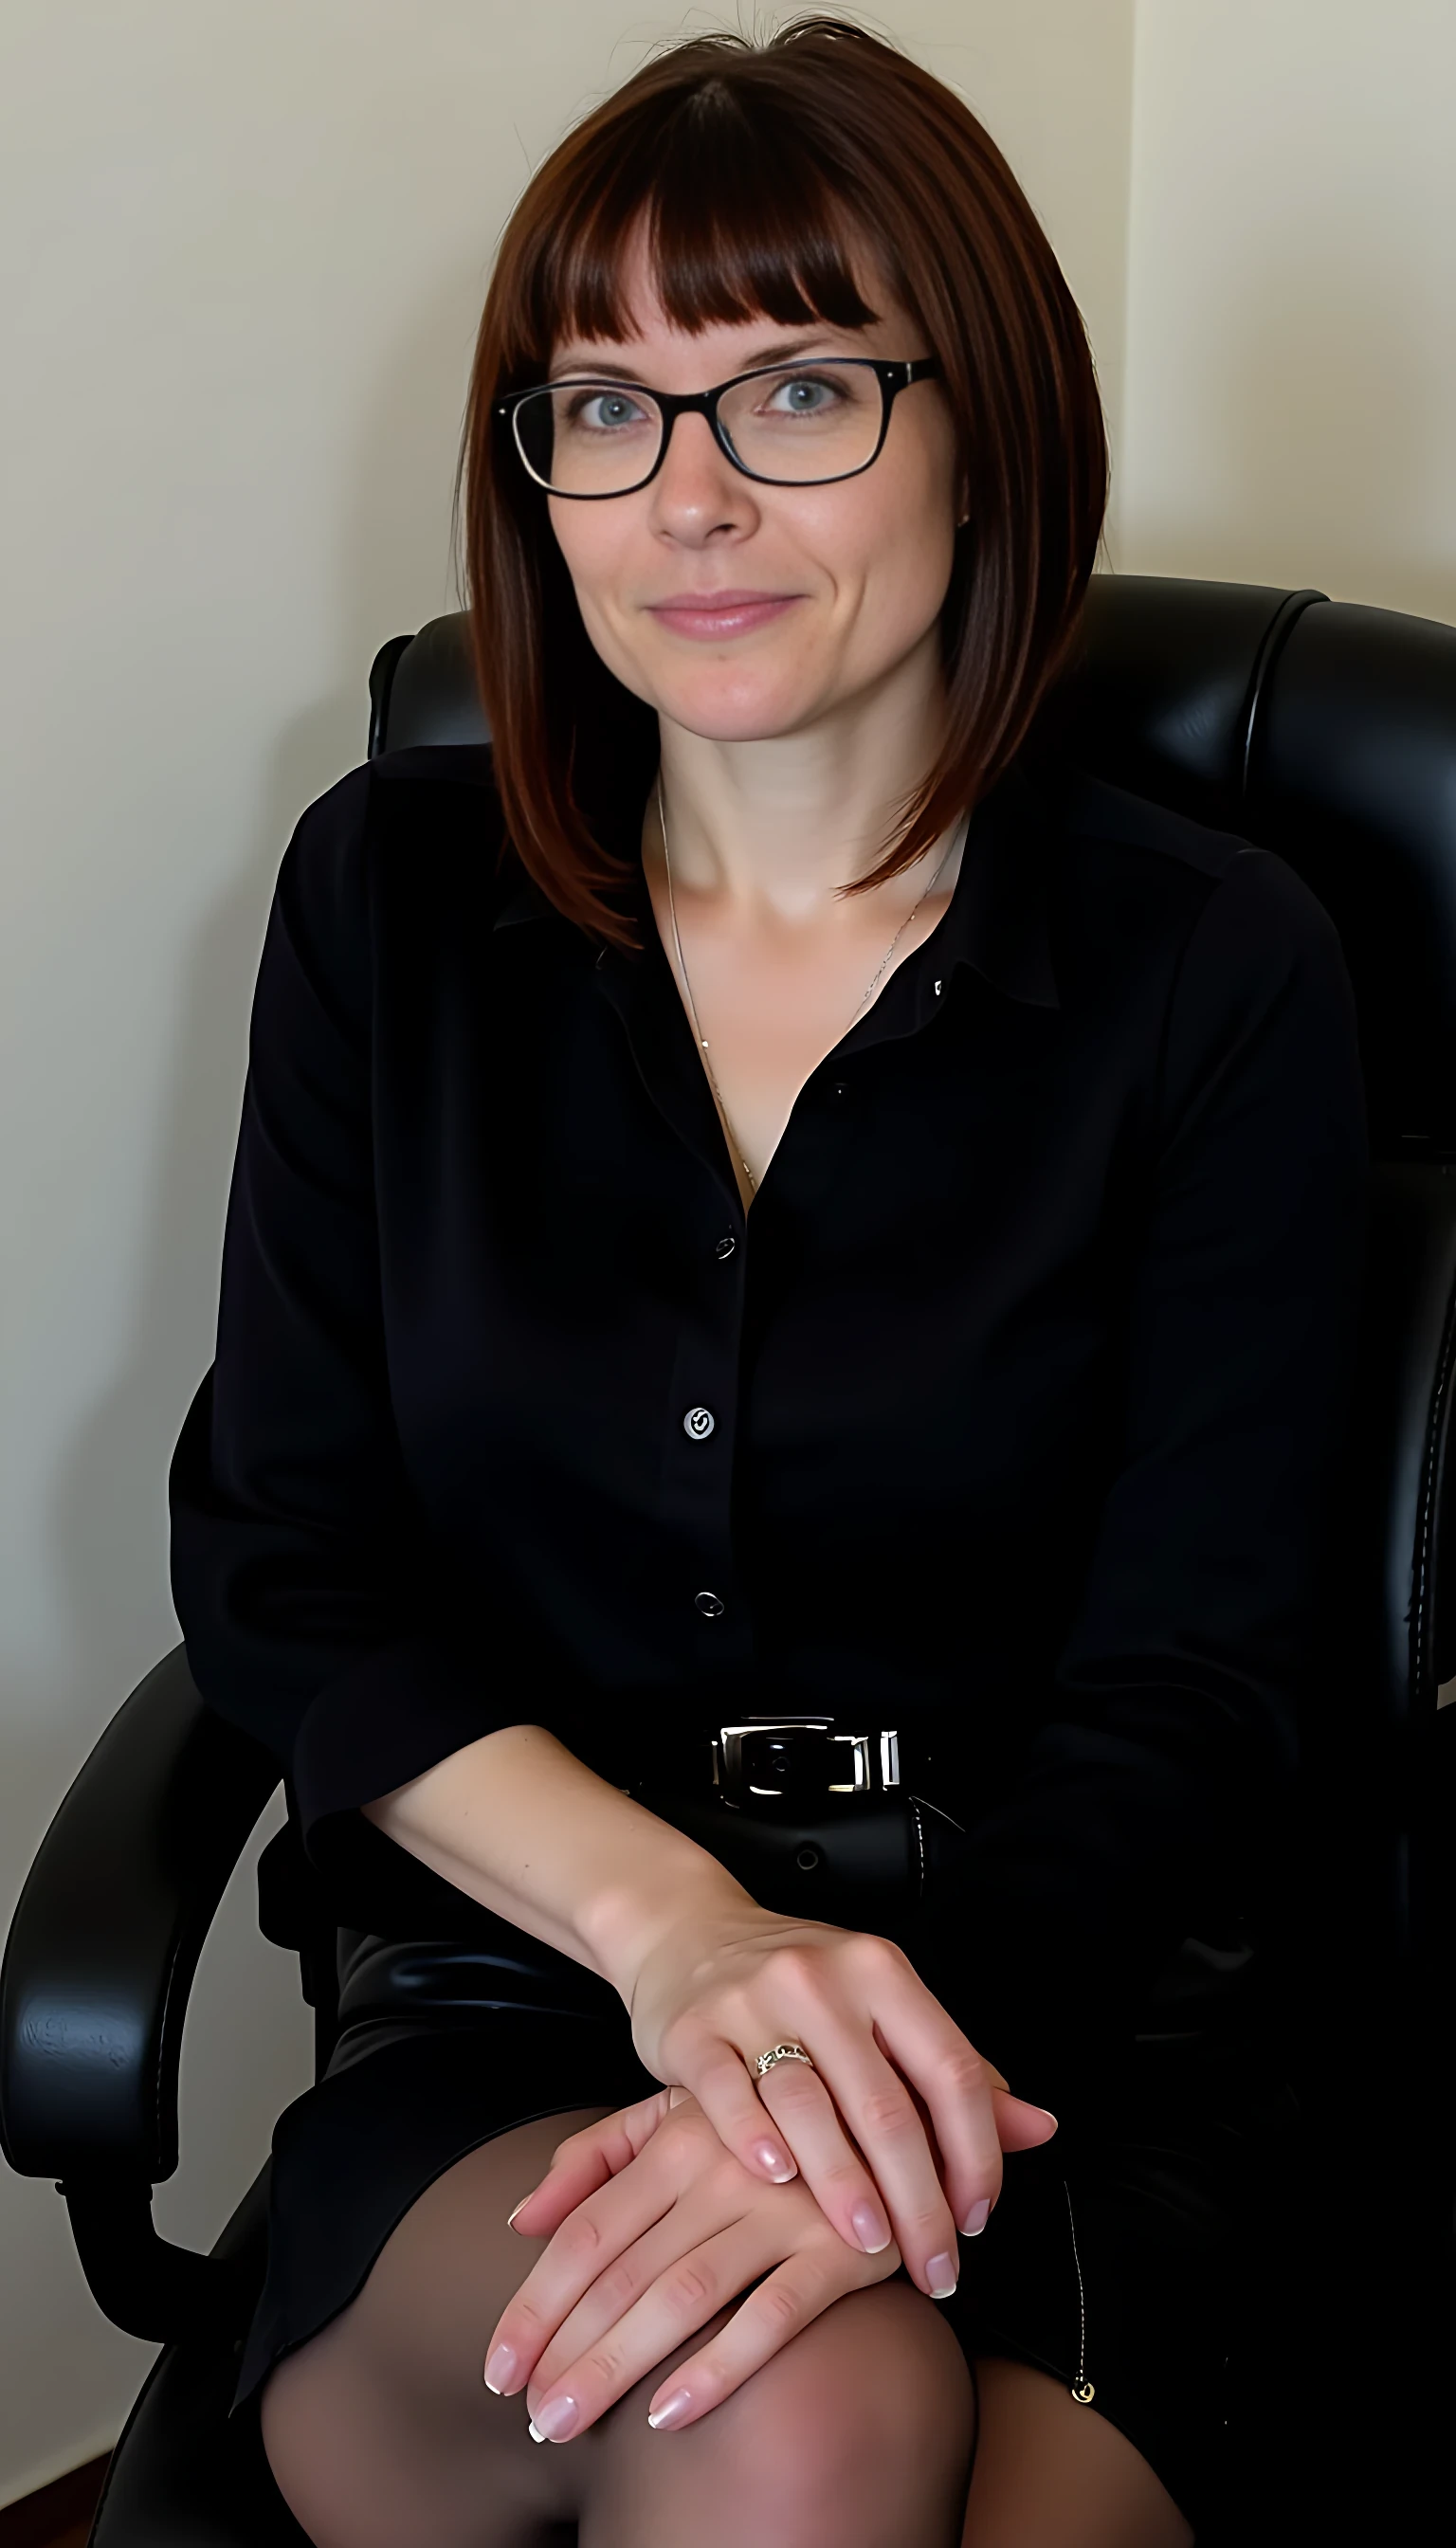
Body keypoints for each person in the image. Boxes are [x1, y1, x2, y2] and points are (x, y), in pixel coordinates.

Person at [167, 17, 1369, 2546]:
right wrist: (690, 1947)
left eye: (799, 388)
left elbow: (1207, 1682)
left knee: (832, 2418)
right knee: (792, 2409)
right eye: (604, 411)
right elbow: (288, 1557)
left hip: (1056, 2029)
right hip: (520, 1996)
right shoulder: (388, 906)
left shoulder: (1214, 965)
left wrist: (856, 2096)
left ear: (984, 423)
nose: (690, 500)